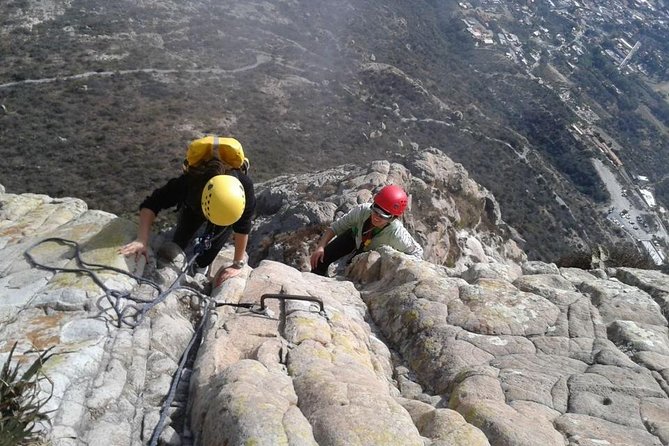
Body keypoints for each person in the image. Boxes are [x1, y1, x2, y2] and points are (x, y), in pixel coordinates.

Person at [120, 136, 256, 286]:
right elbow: (151, 204)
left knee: (212, 248)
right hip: (194, 207)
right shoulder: (188, 184)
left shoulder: (242, 189)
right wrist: (141, 240)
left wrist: (237, 264)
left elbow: (243, 226)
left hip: (221, 209)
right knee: (180, 239)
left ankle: (201, 266)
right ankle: (182, 253)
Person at [310, 184, 423, 276]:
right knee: (320, 262)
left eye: (383, 215)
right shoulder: (363, 211)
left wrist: (392, 265)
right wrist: (320, 247)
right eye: (375, 210)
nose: (376, 217)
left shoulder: (397, 235)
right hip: (354, 237)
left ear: (393, 218)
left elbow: (417, 253)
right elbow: (335, 228)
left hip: (371, 253)